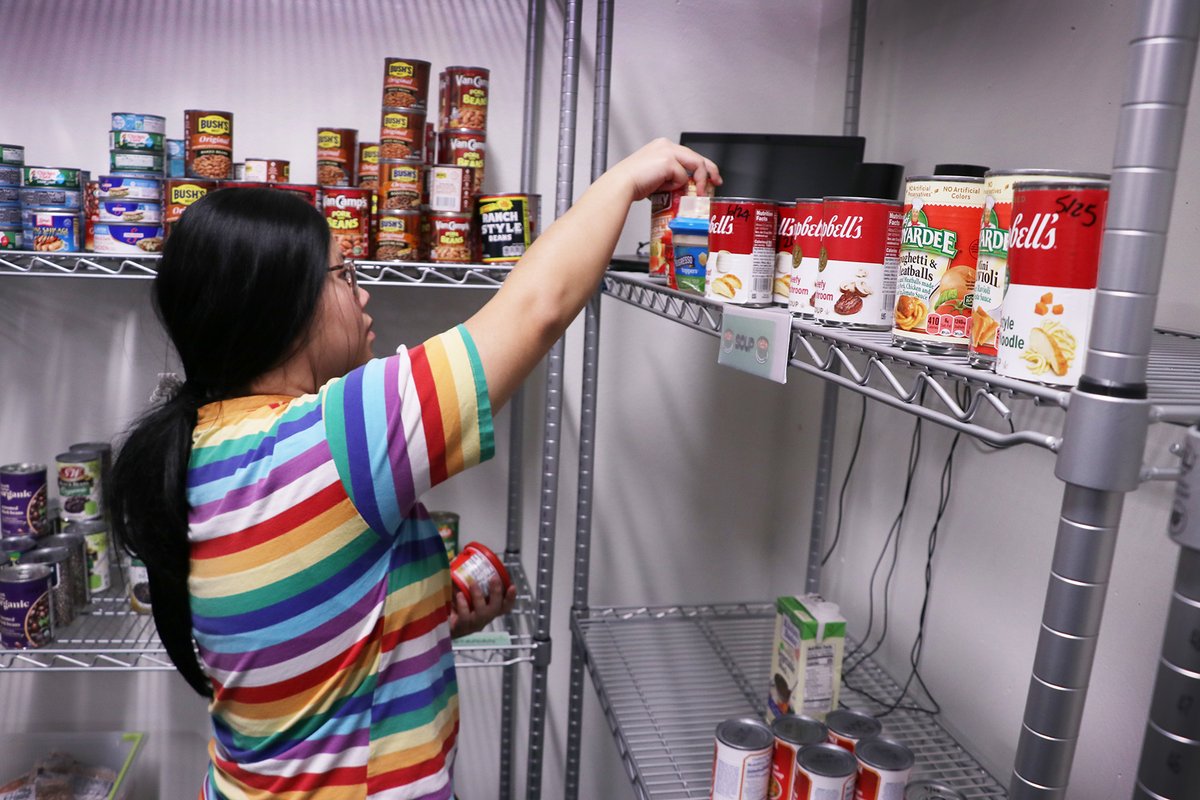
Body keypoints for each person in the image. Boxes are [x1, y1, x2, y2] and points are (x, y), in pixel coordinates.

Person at [108, 139, 720, 798]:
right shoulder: (334, 437)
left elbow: (297, 626)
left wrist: (425, 613)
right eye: (344, 275)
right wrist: (625, 178)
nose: (364, 294)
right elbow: (537, 308)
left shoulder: (201, 444)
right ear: (283, 306)